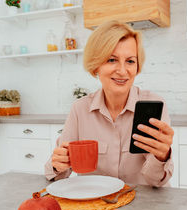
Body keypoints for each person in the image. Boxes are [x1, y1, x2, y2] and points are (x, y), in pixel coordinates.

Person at [44, 20, 174, 186]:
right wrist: (57, 165)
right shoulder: (80, 109)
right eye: (112, 60)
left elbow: (157, 182)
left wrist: (161, 157)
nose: (122, 71)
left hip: (143, 206)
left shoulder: (153, 105)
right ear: (96, 65)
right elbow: (57, 176)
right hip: (96, 205)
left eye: (130, 61)